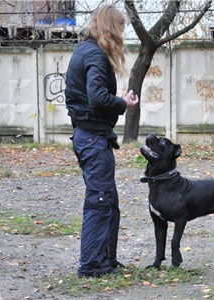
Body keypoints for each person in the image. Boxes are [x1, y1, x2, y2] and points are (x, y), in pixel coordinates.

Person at [65, 4, 139, 278]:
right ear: (110, 27)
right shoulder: (95, 55)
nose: (122, 35)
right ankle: (92, 265)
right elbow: (97, 98)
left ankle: (105, 260)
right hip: (93, 138)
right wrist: (123, 103)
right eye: (120, 29)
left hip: (89, 136)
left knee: (107, 200)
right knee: (99, 200)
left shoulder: (83, 49)